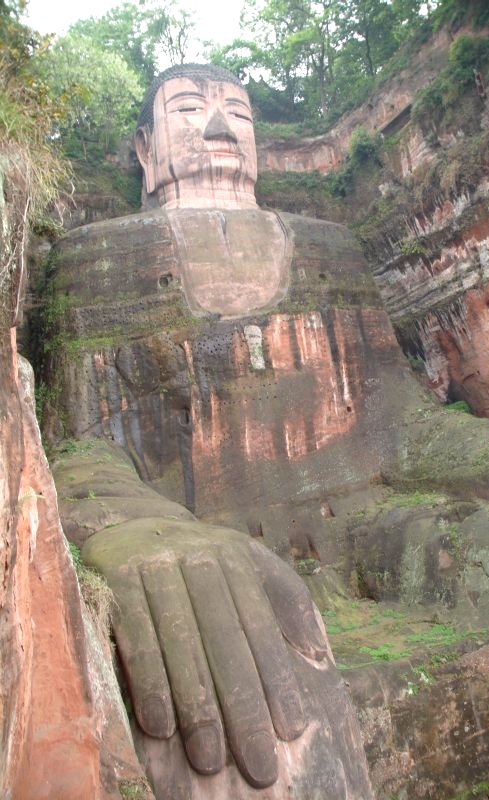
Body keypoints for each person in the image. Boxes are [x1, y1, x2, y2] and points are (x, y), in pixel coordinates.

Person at [49, 64, 378, 800]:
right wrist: (134, 525)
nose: (222, 129)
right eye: (190, 110)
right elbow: (72, 447)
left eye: (238, 113)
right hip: (200, 534)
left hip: (361, 517)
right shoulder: (95, 256)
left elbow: (410, 429)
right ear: (143, 148)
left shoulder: (330, 246)